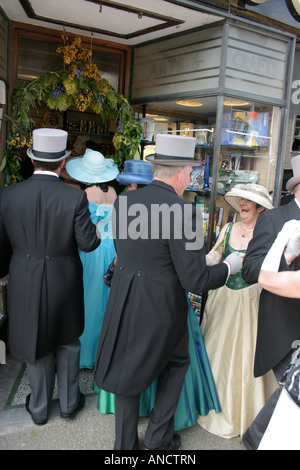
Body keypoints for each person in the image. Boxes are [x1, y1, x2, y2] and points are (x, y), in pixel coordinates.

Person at [93, 133, 243, 450]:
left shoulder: (126, 202)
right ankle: (159, 439)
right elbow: (196, 280)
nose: (191, 178)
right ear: (179, 173)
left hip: (125, 300)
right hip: (163, 309)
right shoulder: (184, 211)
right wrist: (229, 266)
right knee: (176, 365)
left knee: (126, 371)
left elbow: (133, 251)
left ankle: (124, 445)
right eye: (190, 172)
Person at [0, 128, 100, 425]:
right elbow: (88, 243)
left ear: (32, 160)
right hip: (64, 277)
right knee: (67, 339)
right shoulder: (74, 197)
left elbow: (1, 246)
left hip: (24, 275)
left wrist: (7, 271)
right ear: (63, 163)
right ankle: (69, 404)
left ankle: (39, 408)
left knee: (34, 339)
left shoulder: (8, 195)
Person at [198, 183, 277, 439]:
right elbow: (215, 254)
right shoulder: (228, 227)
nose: (243, 203)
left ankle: (245, 413)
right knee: (216, 351)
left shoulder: (267, 234)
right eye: (241, 199)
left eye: (248, 200)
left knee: (246, 354)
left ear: (259, 207)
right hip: (224, 299)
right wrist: (204, 261)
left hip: (251, 301)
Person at [242, 154, 300, 450]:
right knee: (294, 390)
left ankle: (257, 437)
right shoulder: (275, 219)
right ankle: (256, 438)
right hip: (285, 326)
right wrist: (285, 258)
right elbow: (251, 269)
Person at [65, 148, 119, 369]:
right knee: (107, 301)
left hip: (93, 250)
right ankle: (103, 353)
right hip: (113, 248)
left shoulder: (85, 194)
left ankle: (86, 355)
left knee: (89, 299)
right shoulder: (114, 192)